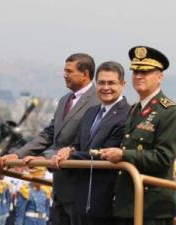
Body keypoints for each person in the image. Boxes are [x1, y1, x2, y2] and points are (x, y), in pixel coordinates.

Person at [0, 53, 100, 225]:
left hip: (80, 185)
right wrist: (18, 155)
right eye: (64, 70)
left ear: (85, 74)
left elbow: (81, 142)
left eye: (69, 71)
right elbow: (50, 133)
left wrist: (45, 158)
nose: (64, 75)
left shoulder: (97, 100)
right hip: (60, 186)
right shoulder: (64, 100)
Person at [100, 46, 176, 225]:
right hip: (128, 202)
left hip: (152, 206)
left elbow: (164, 157)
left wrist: (123, 155)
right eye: (136, 71)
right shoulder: (135, 109)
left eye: (145, 72)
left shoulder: (169, 112)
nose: (138, 76)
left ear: (160, 77)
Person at [53, 61, 130, 225]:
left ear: (123, 84)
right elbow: (81, 145)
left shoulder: (127, 115)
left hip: (106, 200)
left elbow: (106, 152)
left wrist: (71, 155)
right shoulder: (91, 112)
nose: (106, 87)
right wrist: (68, 151)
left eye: (111, 83)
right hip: (80, 196)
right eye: (101, 82)